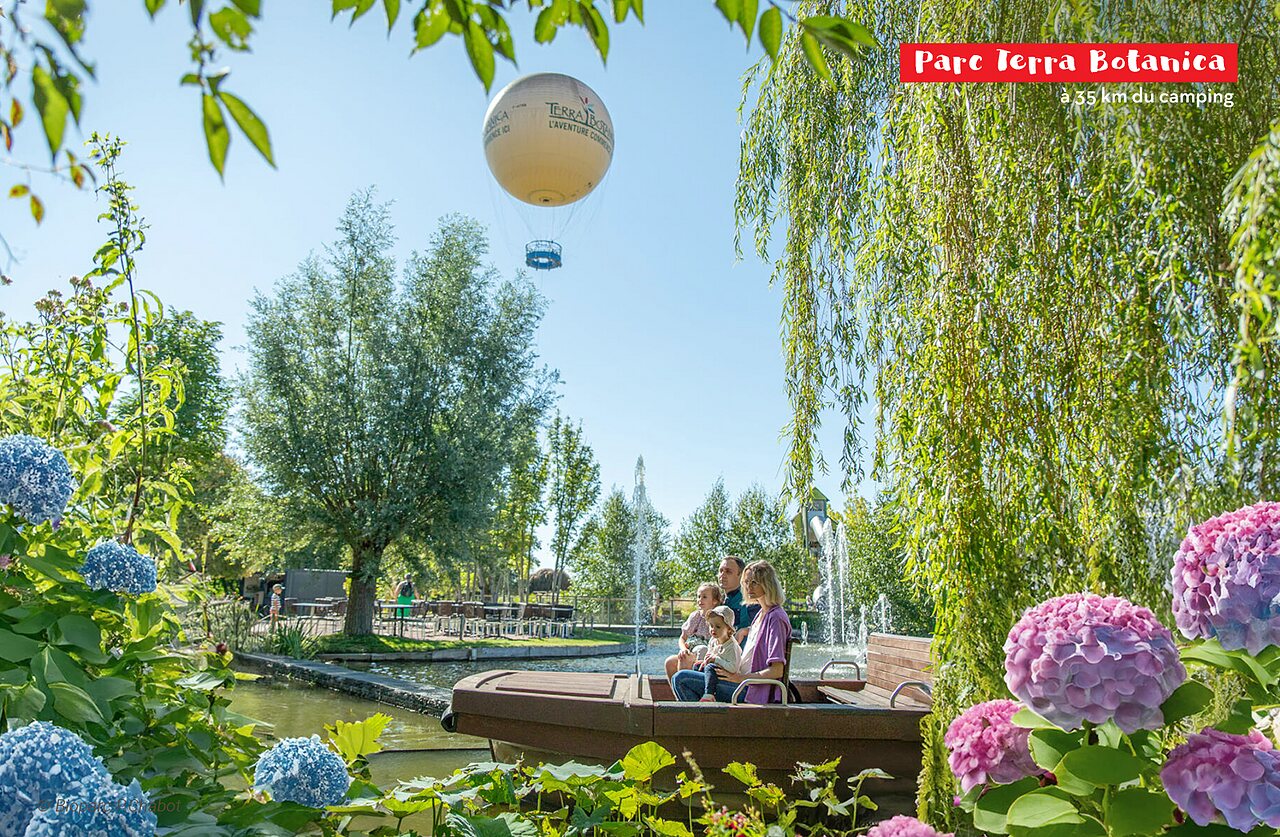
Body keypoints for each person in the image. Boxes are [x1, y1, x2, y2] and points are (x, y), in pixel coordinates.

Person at [672, 560, 791, 703]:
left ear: (767, 583)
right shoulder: (761, 615)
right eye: (746, 582)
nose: (748, 587)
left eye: (754, 582)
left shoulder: (776, 617)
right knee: (694, 669)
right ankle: (706, 720)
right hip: (741, 681)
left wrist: (739, 678)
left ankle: (703, 723)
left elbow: (777, 671)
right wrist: (743, 633)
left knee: (681, 679)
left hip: (751, 690)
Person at [664, 582, 723, 680]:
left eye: (704, 597)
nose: (700, 600)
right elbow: (683, 638)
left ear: (715, 601)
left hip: (708, 655)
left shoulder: (718, 618)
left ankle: (690, 688)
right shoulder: (695, 616)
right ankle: (679, 693)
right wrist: (684, 649)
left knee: (697, 653)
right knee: (670, 662)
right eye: (698, 596)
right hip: (693, 651)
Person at [698, 605, 742, 702]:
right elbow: (710, 654)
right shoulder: (714, 640)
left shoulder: (732, 646)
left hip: (728, 677)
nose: (713, 629)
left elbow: (733, 667)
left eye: (718, 626)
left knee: (710, 667)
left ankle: (709, 694)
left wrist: (716, 659)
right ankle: (701, 694)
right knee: (698, 666)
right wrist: (705, 660)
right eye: (711, 626)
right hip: (716, 673)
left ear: (729, 629)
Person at [717, 555, 760, 644]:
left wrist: (743, 631)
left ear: (741, 575)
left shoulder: (751, 599)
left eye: (728, 571)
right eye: (721, 571)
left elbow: (764, 628)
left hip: (743, 653)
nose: (722, 575)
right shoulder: (717, 600)